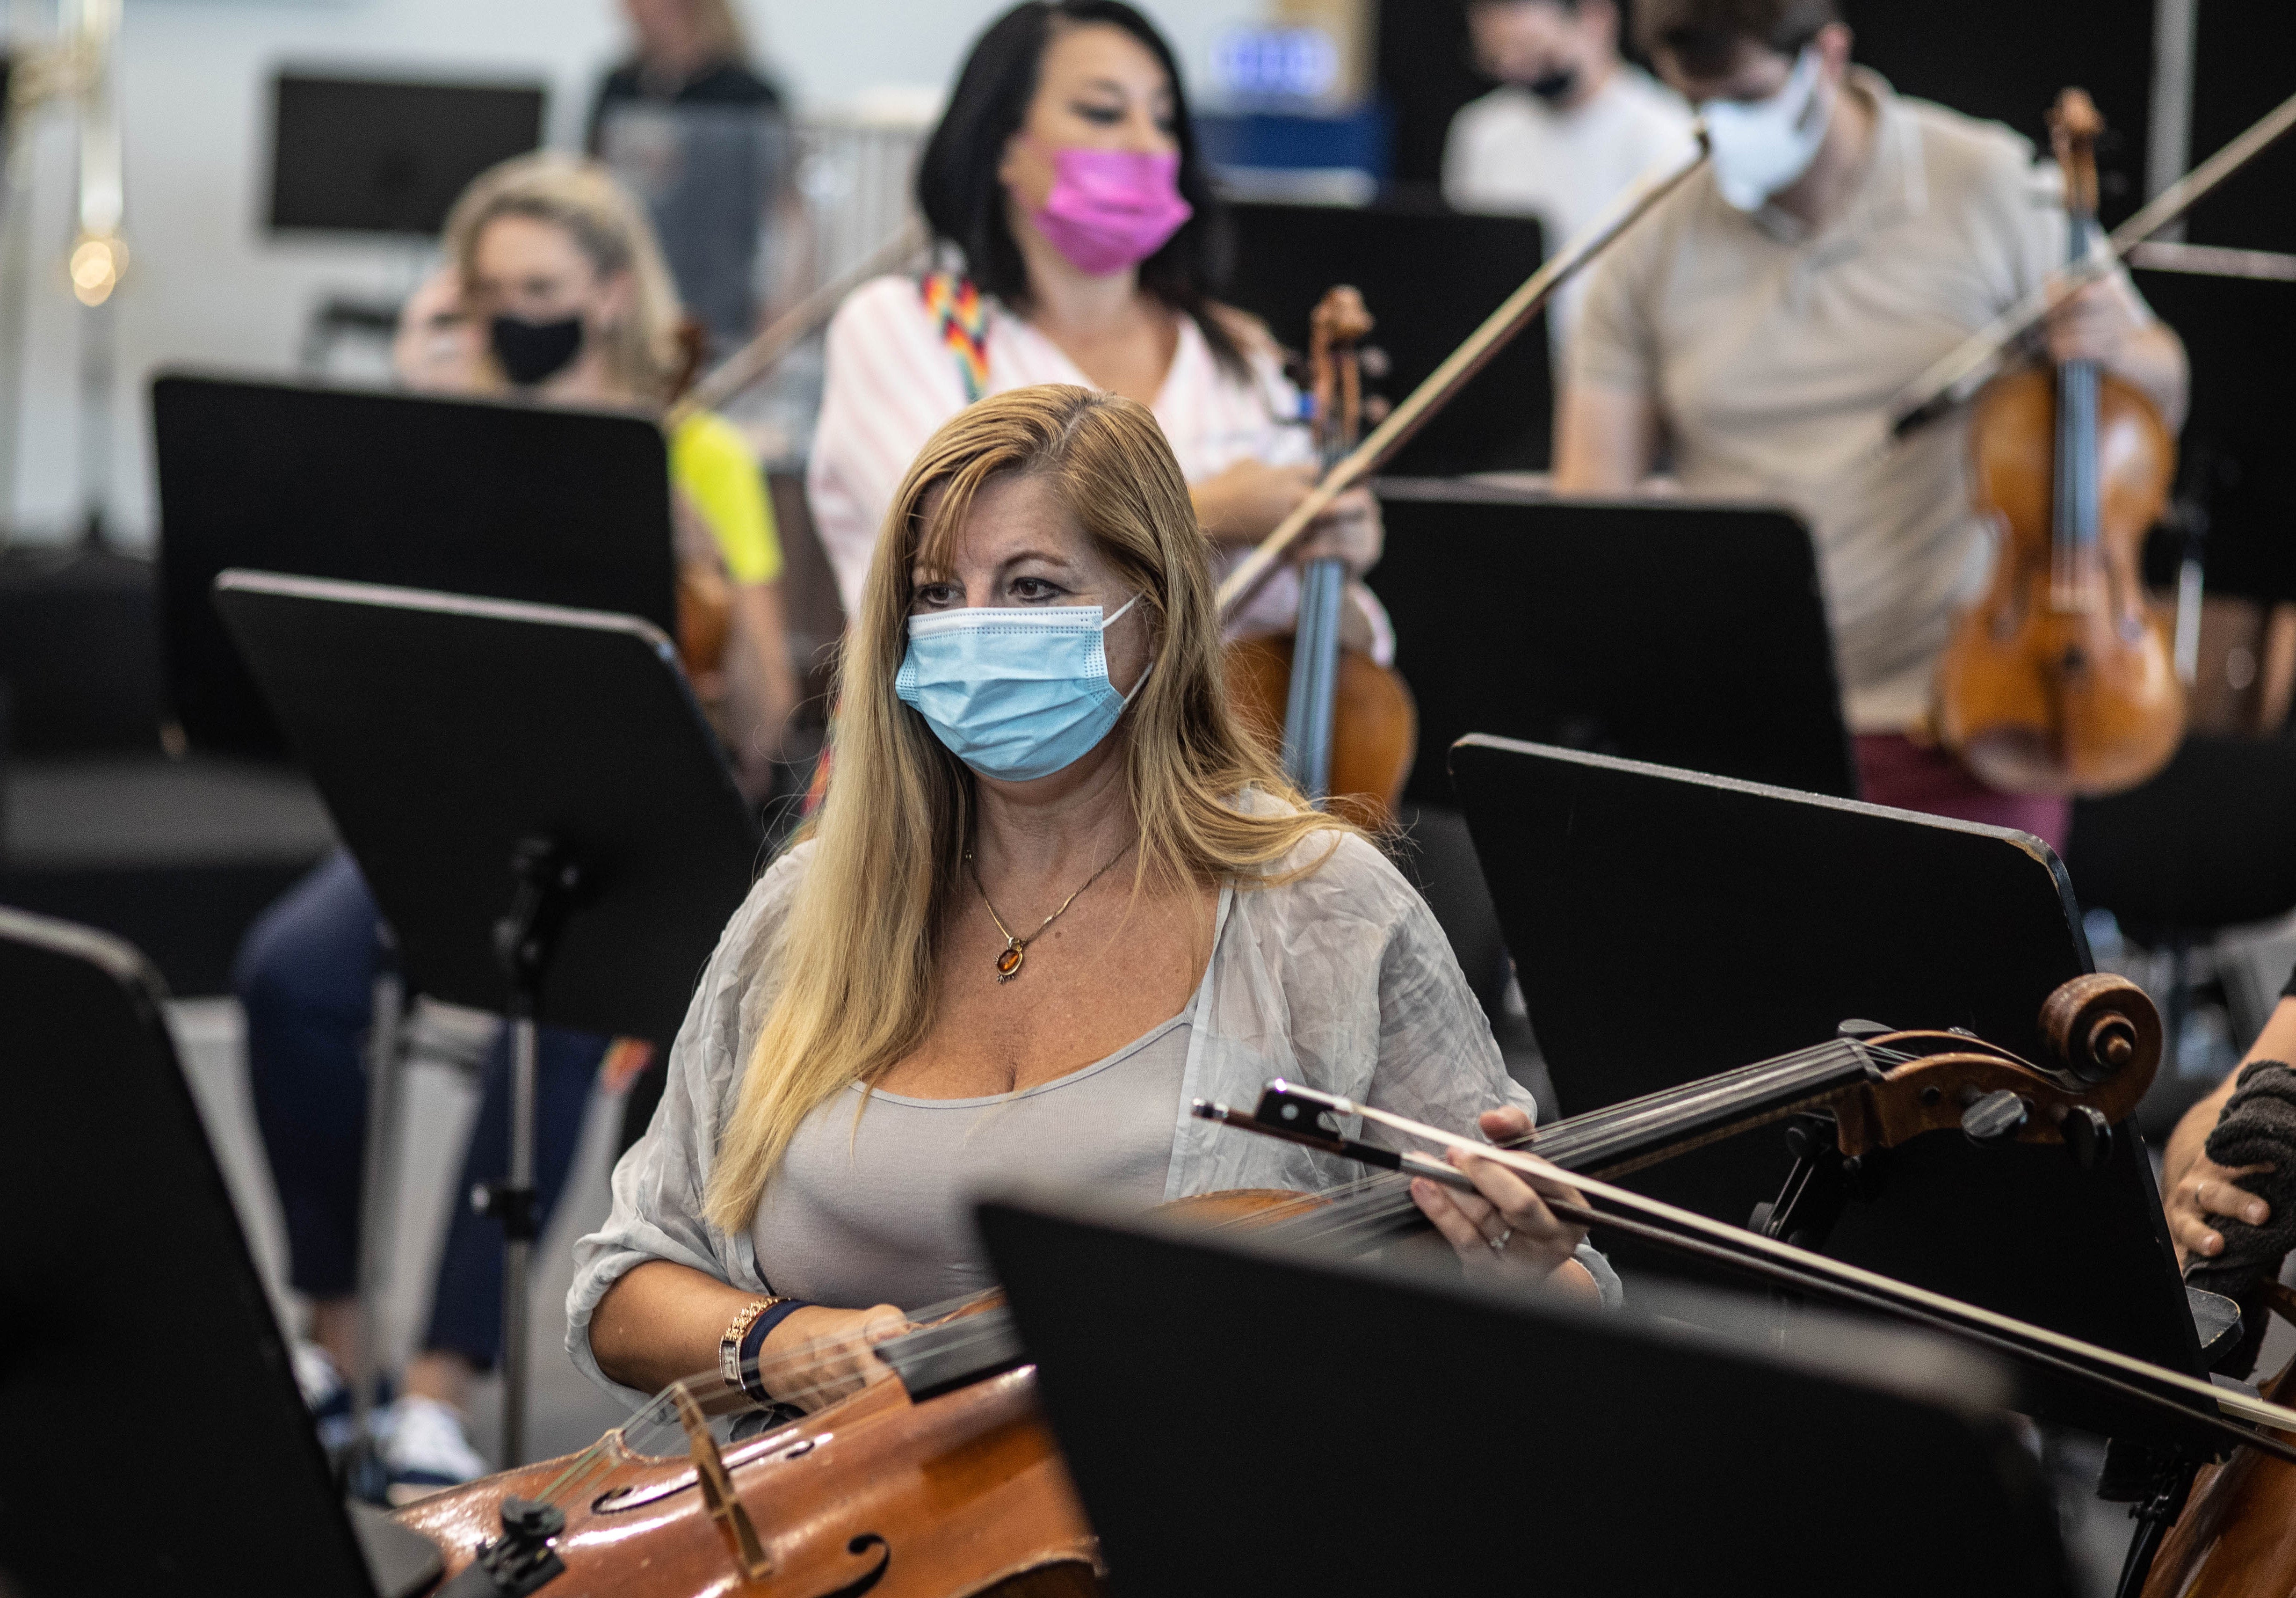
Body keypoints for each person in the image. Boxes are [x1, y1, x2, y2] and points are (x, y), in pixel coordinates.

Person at [573, 385, 1616, 1409]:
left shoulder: (1325, 910)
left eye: (1031, 588)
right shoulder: (810, 906)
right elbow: (623, 1280)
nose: (973, 629)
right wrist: (772, 1343)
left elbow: (1568, 1316)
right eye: (938, 594)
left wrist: (1520, 1263)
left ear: (1155, 619)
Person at [243, 153, 796, 1501]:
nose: (515, 315)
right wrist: (424, 411)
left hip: (624, 820)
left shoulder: (702, 448)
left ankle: (441, 1389)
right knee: (289, 974)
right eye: (488, 293)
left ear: (609, 295)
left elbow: (766, 707)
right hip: (456, 799)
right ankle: (337, 1346)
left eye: (541, 289)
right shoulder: (448, 432)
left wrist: (676, 520)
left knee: (549, 1012)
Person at [1552, 0, 2188, 850]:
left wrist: (2110, 348)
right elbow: (1591, 515)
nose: (1717, 133)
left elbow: (2163, 381)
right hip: (1735, 737)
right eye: (1693, 109)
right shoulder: (1647, 239)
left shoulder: (1987, 179)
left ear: (1827, 54)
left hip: (1963, 721)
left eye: (1743, 102)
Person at [806, 0, 1389, 676]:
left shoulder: (1241, 358)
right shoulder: (903, 326)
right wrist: (1214, 512)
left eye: (1164, 118)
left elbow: (1342, 642)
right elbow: (951, 555)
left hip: (1198, 771)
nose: (1147, 145)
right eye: (1104, 113)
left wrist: (1332, 562)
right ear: (1002, 146)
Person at [1441, 0, 1695, 355]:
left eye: (1531, 50)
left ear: (1596, 18)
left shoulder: (1667, 135)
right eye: (1498, 59)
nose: (1517, 71)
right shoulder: (1482, 132)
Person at [585, 0, 792, 356]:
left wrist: (779, 306)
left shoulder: (748, 94)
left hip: (724, 302)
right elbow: (592, 191)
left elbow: (786, 212)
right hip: (632, 294)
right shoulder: (619, 86)